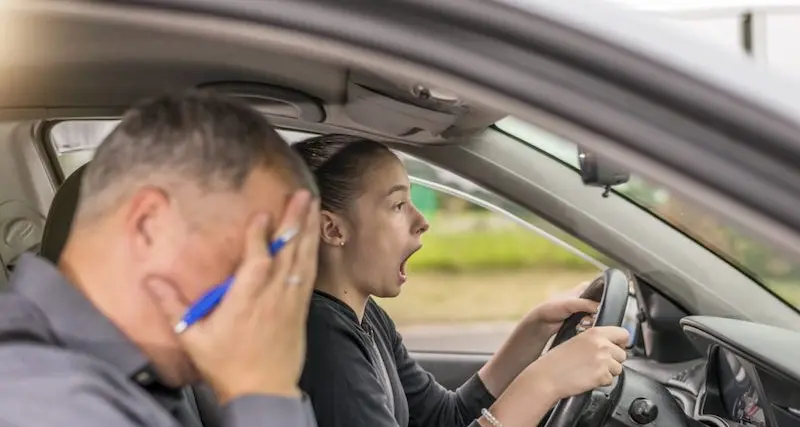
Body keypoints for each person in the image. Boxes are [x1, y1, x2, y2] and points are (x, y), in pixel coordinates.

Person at [0, 91, 322, 427]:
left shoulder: (136, 383)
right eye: (259, 257)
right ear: (149, 225)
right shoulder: (35, 397)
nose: (272, 302)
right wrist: (263, 389)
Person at [292, 134, 630, 427]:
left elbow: (445, 417)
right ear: (333, 229)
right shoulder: (321, 336)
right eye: (397, 205)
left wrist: (537, 327)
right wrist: (545, 382)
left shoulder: (367, 318)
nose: (422, 221)